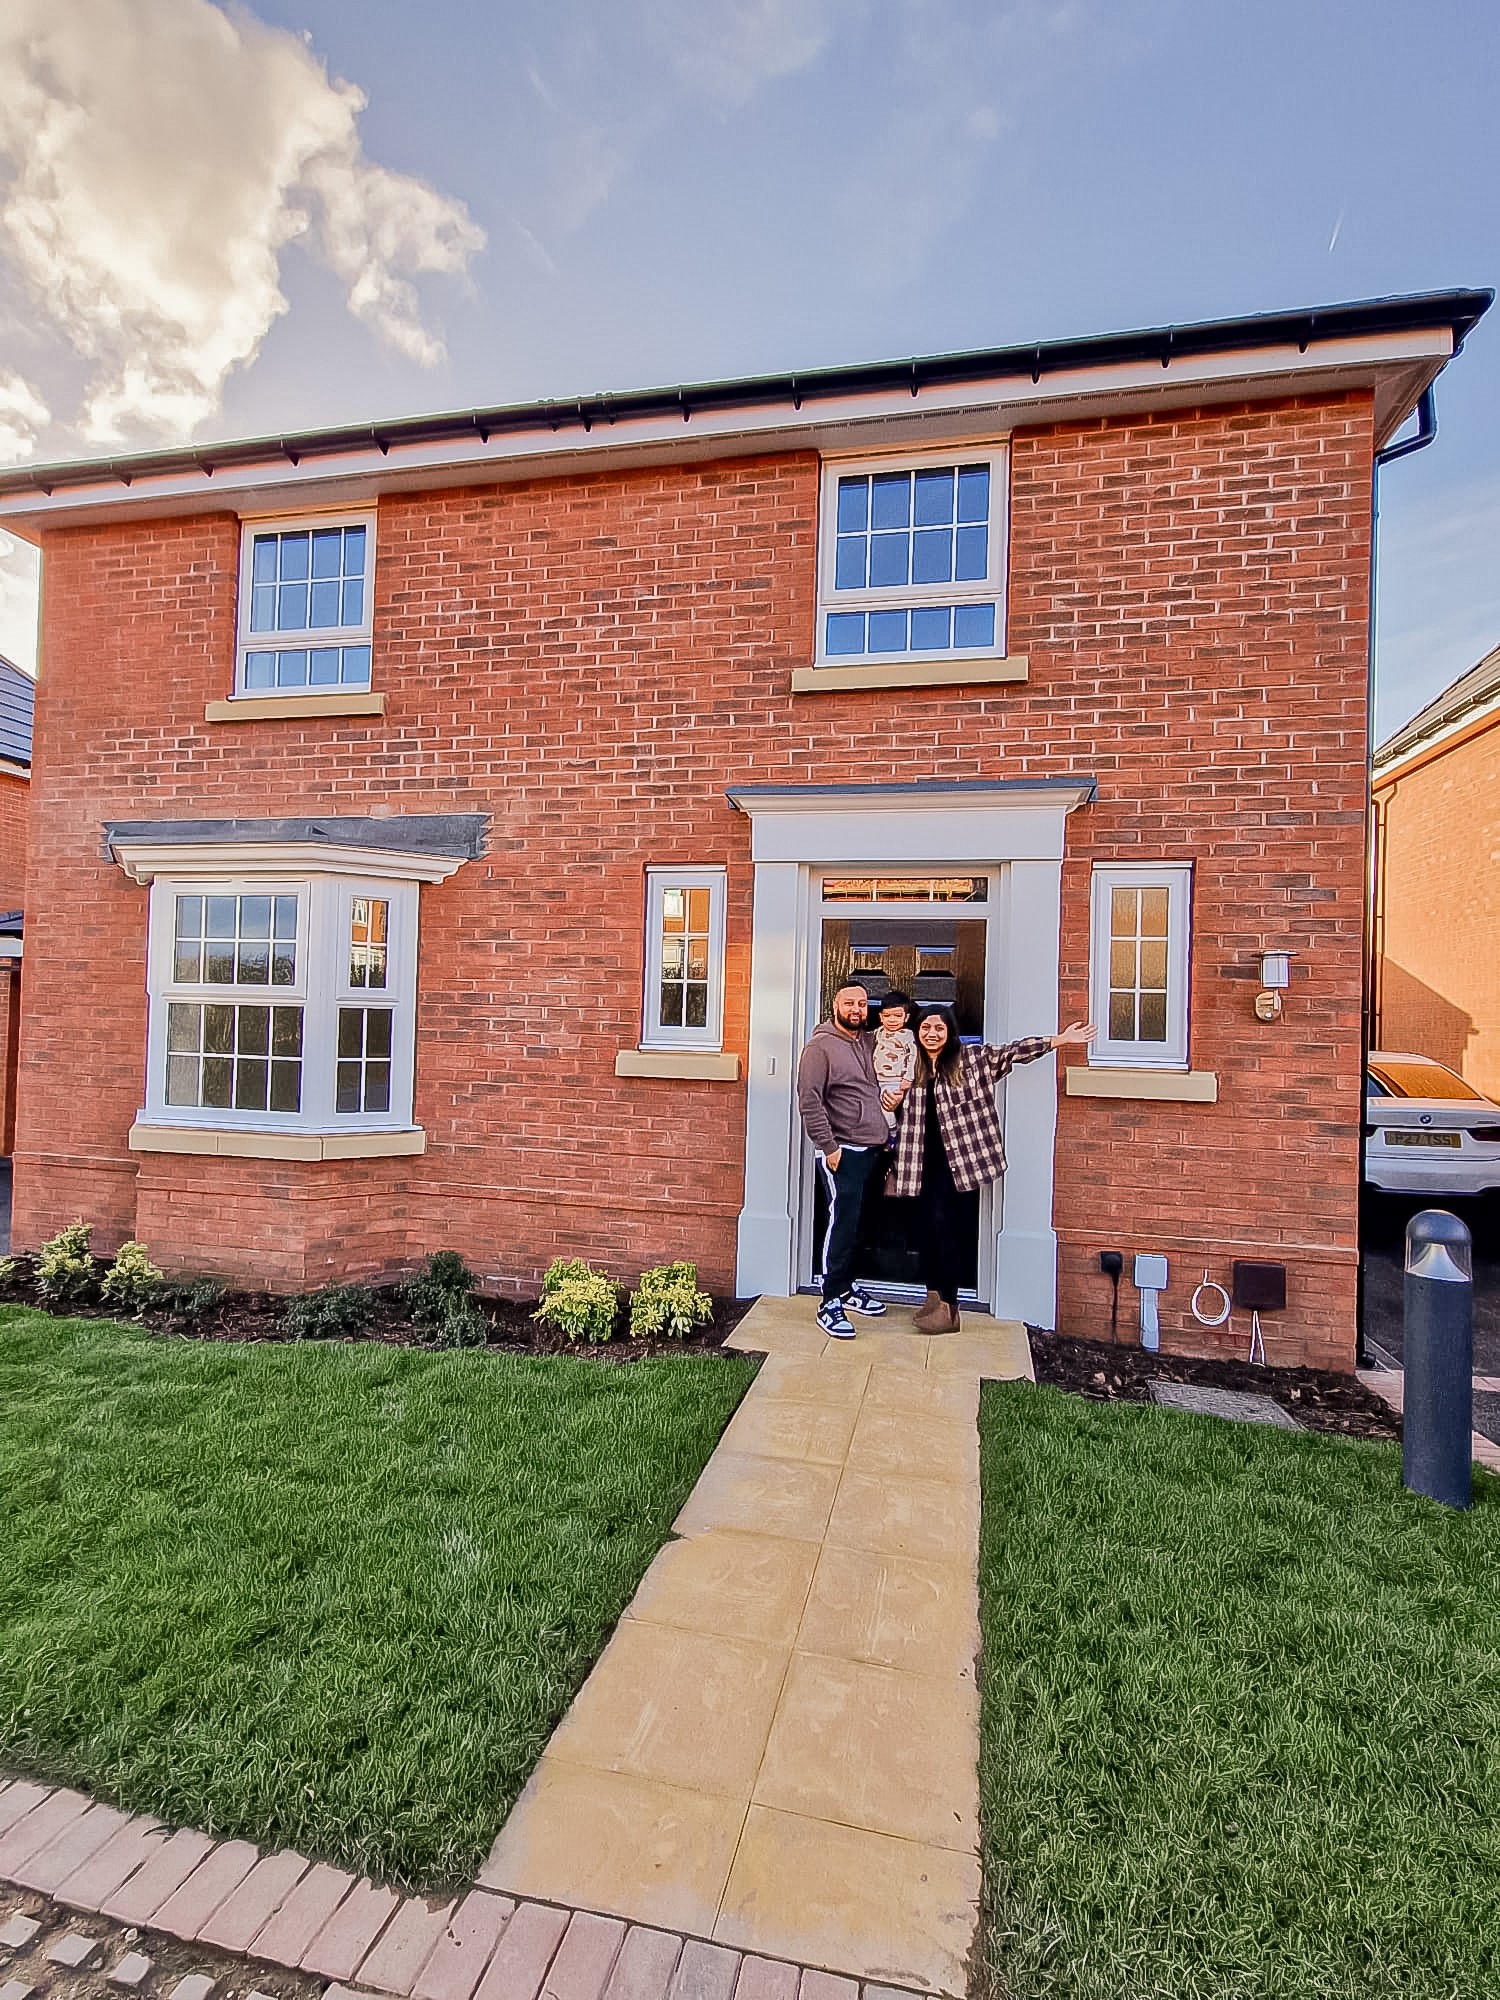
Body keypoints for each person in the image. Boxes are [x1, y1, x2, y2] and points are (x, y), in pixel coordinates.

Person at [888, 1006, 1095, 1334]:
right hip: (919, 1163)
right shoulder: (912, 1066)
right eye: (925, 1028)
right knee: (925, 1230)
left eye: (939, 1028)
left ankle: (950, 1307)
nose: (932, 1034)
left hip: (958, 1164)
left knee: (945, 1230)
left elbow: (1014, 1052)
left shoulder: (972, 1060)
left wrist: (1059, 1040)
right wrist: (892, 1103)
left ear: (950, 1031)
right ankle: (932, 1297)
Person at [796, 984, 892, 1339]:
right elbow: (809, 1100)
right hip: (843, 1153)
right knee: (842, 1225)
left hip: (873, 1151)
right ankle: (830, 1301)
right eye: (849, 1002)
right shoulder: (819, 1048)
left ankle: (848, 1288)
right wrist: (829, 1147)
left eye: (862, 1003)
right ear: (835, 1005)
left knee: (859, 1225)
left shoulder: (869, 1041)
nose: (856, 1009)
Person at [870, 989, 918, 1139]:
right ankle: (881, 1135)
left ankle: (892, 1134)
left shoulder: (907, 1036)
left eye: (897, 1016)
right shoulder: (878, 1033)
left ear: (906, 1017)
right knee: (873, 1107)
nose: (892, 1020)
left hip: (895, 1080)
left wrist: (908, 1078)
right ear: (881, 1017)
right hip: (877, 1080)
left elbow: (912, 1056)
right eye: (887, 1016)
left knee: (887, 1107)